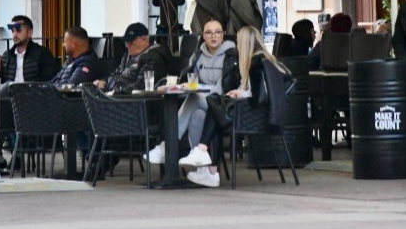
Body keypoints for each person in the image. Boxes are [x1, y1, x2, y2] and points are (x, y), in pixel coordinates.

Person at [179, 27, 290, 188]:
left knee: (215, 108)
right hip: (261, 115)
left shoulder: (257, 63)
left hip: (252, 116)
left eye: (238, 42)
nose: (237, 45)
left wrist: (240, 94)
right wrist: (240, 91)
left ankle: (207, 163)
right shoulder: (266, 60)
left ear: (245, 43)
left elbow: (258, 96)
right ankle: (207, 164)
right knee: (216, 109)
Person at [149, 19, 240, 166]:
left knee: (194, 97)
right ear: (203, 35)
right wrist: (176, 87)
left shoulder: (231, 56)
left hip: (223, 103)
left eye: (217, 32)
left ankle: (167, 145)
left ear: (223, 34)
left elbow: (221, 89)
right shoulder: (198, 56)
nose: (213, 36)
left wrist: (197, 87)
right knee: (197, 114)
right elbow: (190, 82)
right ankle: (201, 167)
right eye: (209, 33)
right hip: (205, 104)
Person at [95, 23, 170, 94]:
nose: (126, 46)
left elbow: (141, 87)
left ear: (143, 40)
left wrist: (115, 92)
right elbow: (117, 73)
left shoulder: (153, 58)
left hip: (131, 99)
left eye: (130, 42)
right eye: (126, 42)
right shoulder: (127, 54)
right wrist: (104, 82)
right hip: (116, 95)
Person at [0, 16, 60, 84]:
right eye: (13, 31)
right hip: (10, 91)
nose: (14, 35)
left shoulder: (42, 54)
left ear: (29, 33)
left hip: (34, 91)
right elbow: (1, 82)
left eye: (18, 30)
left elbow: (49, 83)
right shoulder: (7, 56)